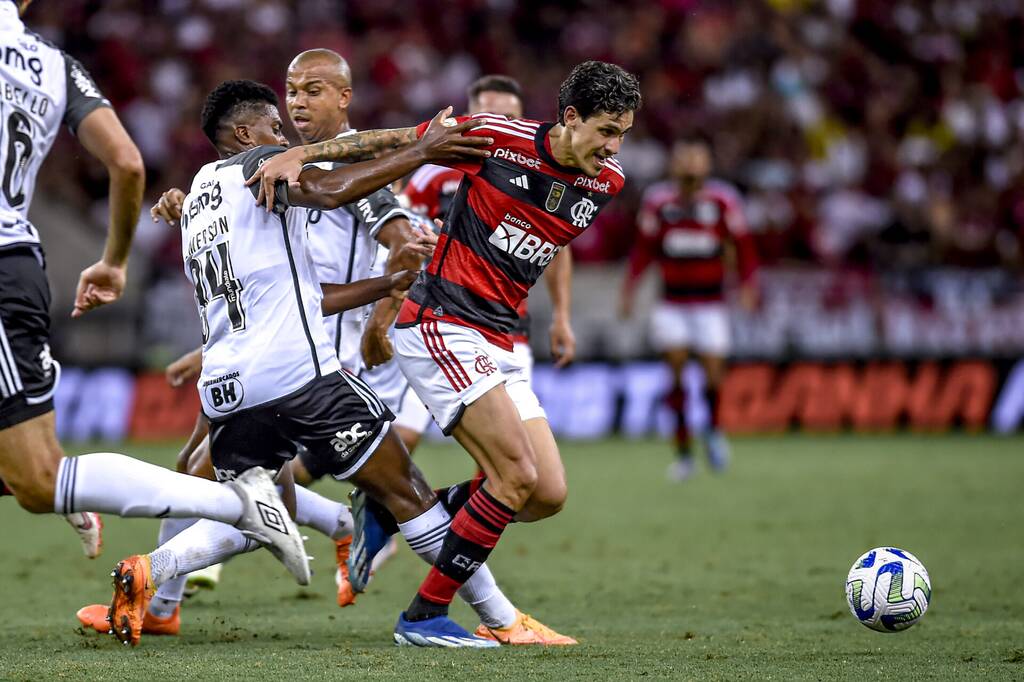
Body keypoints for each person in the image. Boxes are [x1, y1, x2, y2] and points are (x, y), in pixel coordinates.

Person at [101, 79, 548, 649]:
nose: (282, 134)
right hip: (301, 378)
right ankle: (495, 619)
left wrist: (386, 283)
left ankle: (150, 572)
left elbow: (302, 292)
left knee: (266, 514)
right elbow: (331, 191)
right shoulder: (260, 166)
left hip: (231, 389)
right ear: (244, 134)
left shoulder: (195, 202)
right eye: (272, 123)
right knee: (406, 490)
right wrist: (420, 151)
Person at [249, 60, 641, 647]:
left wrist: (556, 315)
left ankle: (391, 509)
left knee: (546, 495)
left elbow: (545, 236)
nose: (614, 148)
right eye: (607, 131)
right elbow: (398, 141)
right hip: (442, 322)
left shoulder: (606, 183)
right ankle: (425, 616)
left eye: (623, 135)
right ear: (570, 118)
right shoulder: (498, 139)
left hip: (500, 337)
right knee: (514, 477)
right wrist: (301, 156)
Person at [0, 0, 315, 607]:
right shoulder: (52, 66)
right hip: (18, 259)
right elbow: (125, 161)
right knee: (40, 477)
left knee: (40, 480)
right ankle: (68, 485)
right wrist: (114, 261)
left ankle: (236, 504)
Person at [386, 74, 576, 455]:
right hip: (441, 316)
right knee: (404, 439)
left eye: (512, 116)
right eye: (491, 115)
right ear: (471, 117)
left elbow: (558, 247)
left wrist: (561, 316)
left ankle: (439, 515)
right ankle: (392, 511)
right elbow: (397, 235)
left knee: (512, 458)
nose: (502, 125)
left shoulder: (542, 176)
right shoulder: (433, 174)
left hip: (509, 328)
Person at [619, 134, 758, 481]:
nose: (690, 165)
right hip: (673, 303)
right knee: (676, 375)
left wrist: (747, 285)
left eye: (696, 158)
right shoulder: (658, 200)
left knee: (712, 377)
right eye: (684, 158)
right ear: (674, 163)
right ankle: (683, 455)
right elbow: (643, 250)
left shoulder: (723, 199)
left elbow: (745, 248)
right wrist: (630, 289)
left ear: (707, 163)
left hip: (711, 303)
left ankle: (712, 428)